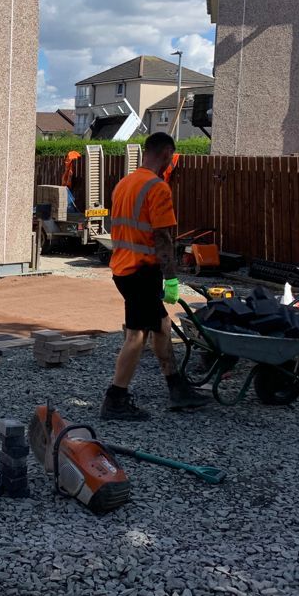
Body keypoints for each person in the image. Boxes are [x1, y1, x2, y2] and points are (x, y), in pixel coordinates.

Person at [100, 133, 209, 421]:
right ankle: (115, 399)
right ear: (166, 155)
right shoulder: (157, 188)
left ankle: (176, 387)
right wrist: (170, 277)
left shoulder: (124, 184)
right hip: (141, 270)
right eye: (171, 158)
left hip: (123, 267)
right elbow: (162, 237)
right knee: (137, 334)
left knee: (161, 325)